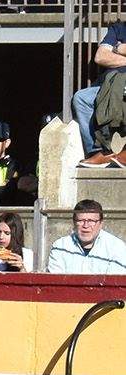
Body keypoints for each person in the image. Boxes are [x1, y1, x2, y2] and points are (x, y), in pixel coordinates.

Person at [73, 21, 126, 166]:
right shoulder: (118, 28)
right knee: (81, 98)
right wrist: (119, 49)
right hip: (109, 84)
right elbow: (101, 56)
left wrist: (118, 48)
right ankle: (99, 151)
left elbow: (110, 53)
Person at [48, 199, 126, 273]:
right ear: (74, 222)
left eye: (91, 221)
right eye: (81, 220)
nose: (86, 226)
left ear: (101, 224)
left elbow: (113, 284)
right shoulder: (60, 247)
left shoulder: (116, 247)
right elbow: (56, 283)